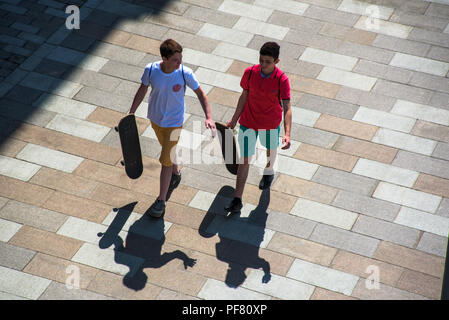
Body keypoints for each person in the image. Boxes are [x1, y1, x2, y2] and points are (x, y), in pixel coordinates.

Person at [128, 39, 215, 217]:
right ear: (164, 58)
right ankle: (176, 172)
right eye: (175, 59)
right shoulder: (151, 70)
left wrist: (209, 117)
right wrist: (131, 112)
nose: (179, 62)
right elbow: (142, 90)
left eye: (180, 58)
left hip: (175, 123)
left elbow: (201, 94)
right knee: (167, 151)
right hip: (155, 119)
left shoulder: (184, 73)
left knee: (165, 160)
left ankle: (161, 201)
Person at [225, 42, 292, 214]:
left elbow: (287, 108)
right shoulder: (249, 73)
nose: (263, 65)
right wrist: (234, 119)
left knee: (271, 149)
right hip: (248, 122)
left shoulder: (282, 80)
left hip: (270, 124)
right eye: (261, 60)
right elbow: (244, 96)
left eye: (267, 62)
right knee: (245, 160)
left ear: (277, 61)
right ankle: (237, 199)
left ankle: (269, 171)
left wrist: (287, 133)